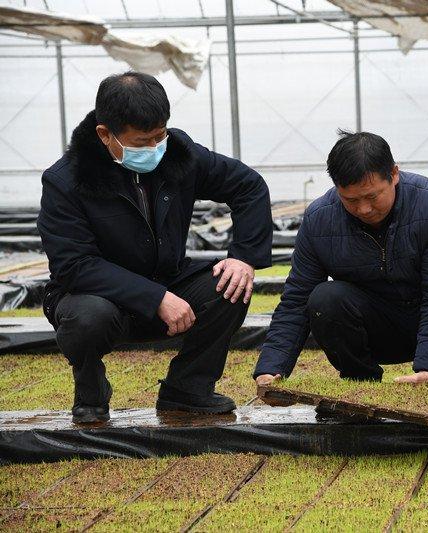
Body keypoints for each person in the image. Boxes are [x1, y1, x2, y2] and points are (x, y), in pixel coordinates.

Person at [38, 71, 273, 424]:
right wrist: (155, 298)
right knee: (86, 318)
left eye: (159, 136)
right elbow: (75, 265)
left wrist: (243, 257)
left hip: (168, 280)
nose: (153, 149)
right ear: (105, 134)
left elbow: (249, 186)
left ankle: (189, 388)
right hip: (100, 297)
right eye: (141, 141)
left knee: (229, 287)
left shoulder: (179, 154)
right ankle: (90, 391)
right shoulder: (66, 181)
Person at [253, 130, 428, 396]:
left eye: (373, 197)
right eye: (350, 200)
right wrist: (270, 368)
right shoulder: (319, 219)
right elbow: (297, 299)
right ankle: (361, 383)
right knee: (325, 298)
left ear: (394, 174)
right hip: (376, 327)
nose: (364, 209)